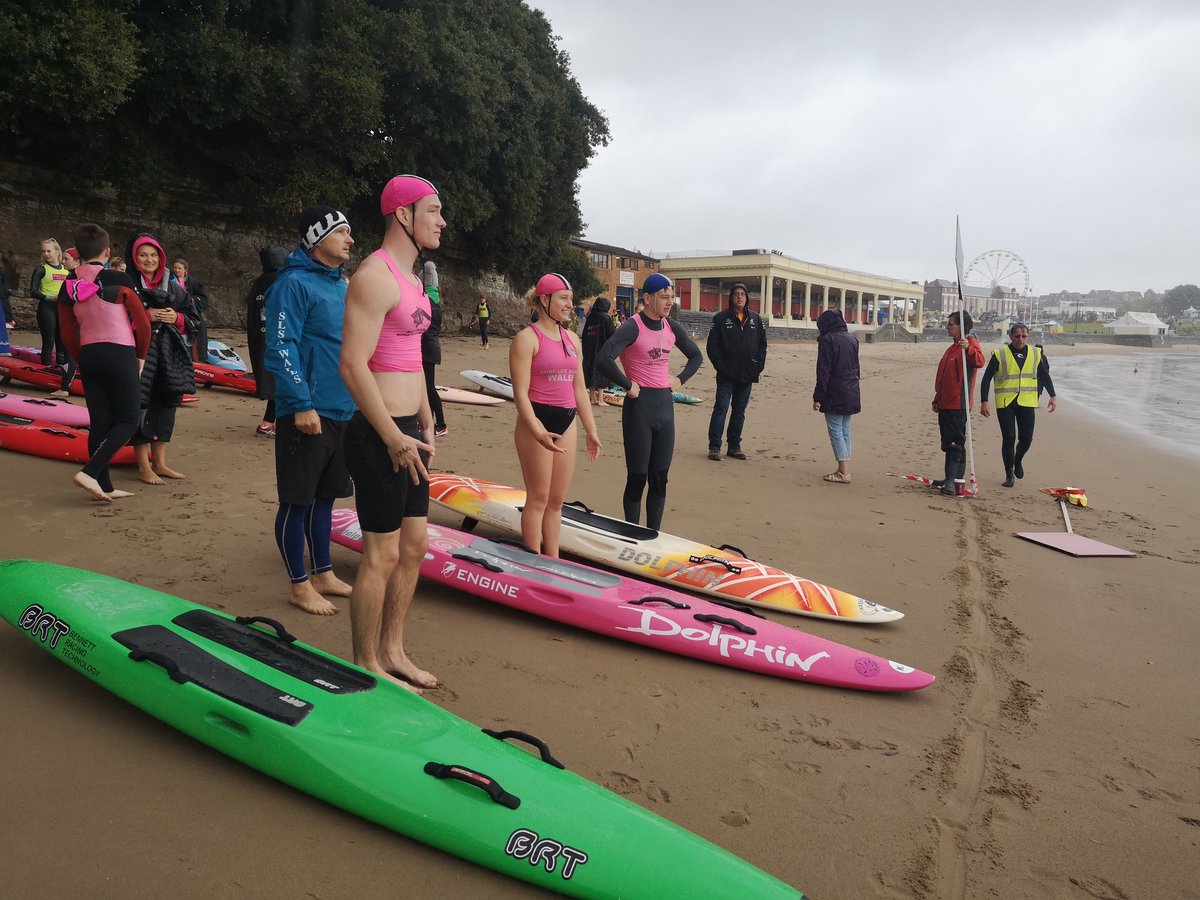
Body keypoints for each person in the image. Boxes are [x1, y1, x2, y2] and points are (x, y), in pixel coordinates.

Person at [338, 174, 441, 692]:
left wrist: (425, 412)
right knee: (381, 552)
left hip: (410, 429)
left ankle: (394, 649)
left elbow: (415, 354)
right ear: (404, 214)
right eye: (434, 210)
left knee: (415, 545)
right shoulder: (373, 276)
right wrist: (392, 435)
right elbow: (353, 366)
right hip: (379, 432)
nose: (442, 221)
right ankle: (365, 663)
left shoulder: (416, 280)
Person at [263, 206, 357, 615]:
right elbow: (280, 346)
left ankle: (322, 572)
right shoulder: (292, 284)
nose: (351, 240)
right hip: (307, 410)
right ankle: (299, 585)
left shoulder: (343, 285)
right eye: (343, 233)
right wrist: (301, 403)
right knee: (297, 501)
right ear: (318, 238)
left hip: (343, 408)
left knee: (324, 499)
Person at [597, 273, 703, 530]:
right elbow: (603, 358)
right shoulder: (633, 326)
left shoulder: (670, 327)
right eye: (664, 297)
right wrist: (627, 384)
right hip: (639, 408)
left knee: (660, 477)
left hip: (665, 407)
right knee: (637, 476)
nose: (670, 302)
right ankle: (632, 532)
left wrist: (679, 380)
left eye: (671, 297)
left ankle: (653, 534)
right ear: (647, 298)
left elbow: (696, 356)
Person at [57, 223, 152, 501]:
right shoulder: (117, 278)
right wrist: (141, 357)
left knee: (100, 422)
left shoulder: (69, 284)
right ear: (108, 251)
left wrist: (81, 358)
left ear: (78, 253)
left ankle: (104, 485)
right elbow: (143, 324)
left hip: (89, 354)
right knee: (127, 419)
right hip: (119, 352)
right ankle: (90, 472)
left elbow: (66, 333)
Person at [509, 273, 601, 556]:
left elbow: (580, 390)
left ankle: (554, 561)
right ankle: (531, 564)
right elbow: (520, 394)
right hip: (535, 423)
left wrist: (591, 430)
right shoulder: (526, 339)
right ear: (544, 299)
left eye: (571, 299)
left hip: (567, 423)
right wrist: (537, 430)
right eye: (564, 298)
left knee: (556, 502)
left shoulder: (573, 339)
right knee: (537, 499)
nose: (570, 304)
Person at [124, 232, 200, 484]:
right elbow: (115, 318)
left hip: (168, 353)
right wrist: (146, 316)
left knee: (167, 405)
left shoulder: (172, 284)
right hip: (139, 354)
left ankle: (160, 463)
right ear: (135, 257)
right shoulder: (127, 283)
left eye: (154, 255)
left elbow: (193, 315)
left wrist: (175, 318)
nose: (149, 259)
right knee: (141, 406)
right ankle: (143, 466)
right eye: (143, 255)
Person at [980, 322, 1058, 487]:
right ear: (1010, 336)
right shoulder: (1000, 354)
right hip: (1006, 402)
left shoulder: (1036, 354)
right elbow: (986, 378)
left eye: (1024, 336)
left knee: (1026, 439)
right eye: (1017, 336)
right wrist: (984, 401)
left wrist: (1053, 396)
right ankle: (1009, 474)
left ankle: (1018, 459)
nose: (1020, 340)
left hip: (1027, 401)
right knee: (1009, 438)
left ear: (1028, 336)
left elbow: (1044, 376)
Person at [705, 282, 767, 461]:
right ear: (731, 297)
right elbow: (712, 347)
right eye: (736, 294)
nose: (740, 296)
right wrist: (721, 366)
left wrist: (758, 365)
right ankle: (714, 446)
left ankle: (734, 446)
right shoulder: (720, 318)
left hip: (747, 374)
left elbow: (762, 344)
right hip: (726, 375)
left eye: (743, 294)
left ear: (747, 298)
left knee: (739, 410)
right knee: (721, 408)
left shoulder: (755, 319)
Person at [931, 310, 985, 497]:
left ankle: (952, 481)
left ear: (961, 326)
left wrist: (968, 348)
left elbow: (979, 361)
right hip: (946, 402)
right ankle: (951, 478)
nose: (948, 326)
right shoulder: (952, 347)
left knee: (955, 442)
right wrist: (938, 398)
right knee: (948, 442)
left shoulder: (969, 344)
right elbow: (944, 376)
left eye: (951, 324)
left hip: (958, 403)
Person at [812, 308, 860, 483]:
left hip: (835, 391)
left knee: (836, 431)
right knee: (844, 430)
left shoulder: (827, 340)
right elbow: (857, 368)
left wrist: (818, 397)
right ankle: (843, 468)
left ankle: (844, 471)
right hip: (852, 389)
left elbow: (823, 371)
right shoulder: (852, 339)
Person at [246, 245, 287, 437]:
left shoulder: (258, 282)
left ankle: (270, 422)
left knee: (274, 381)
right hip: (279, 338)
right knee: (281, 381)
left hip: (260, 336)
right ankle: (268, 423)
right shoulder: (283, 281)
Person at [30, 238, 70, 366]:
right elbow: (32, 291)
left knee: (62, 341)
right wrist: (49, 297)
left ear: (57, 252)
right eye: (44, 251)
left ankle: (61, 369)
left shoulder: (67, 270)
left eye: (49, 251)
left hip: (62, 308)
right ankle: (46, 368)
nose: (46, 254)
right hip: (47, 308)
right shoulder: (41, 269)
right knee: (49, 341)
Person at [420, 260, 448, 437]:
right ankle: (427, 421)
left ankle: (442, 424)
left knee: (428, 387)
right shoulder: (435, 299)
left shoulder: (427, 301)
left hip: (428, 349)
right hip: (430, 347)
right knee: (424, 387)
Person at [171, 259, 210, 361]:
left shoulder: (192, 281)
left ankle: (201, 357)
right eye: (175, 268)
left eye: (179, 268)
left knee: (199, 327)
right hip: (176, 311)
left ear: (185, 270)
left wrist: (193, 299)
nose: (176, 270)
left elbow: (203, 296)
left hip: (191, 310)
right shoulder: (169, 280)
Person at [581, 296, 615, 406]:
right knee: (602, 372)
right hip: (602, 348)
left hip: (589, 348)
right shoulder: (606, 318)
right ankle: (600, 399)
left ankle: (592, 398)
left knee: (590, 370)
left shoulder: (590, 317)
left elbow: (585, 333)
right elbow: (611, 334)